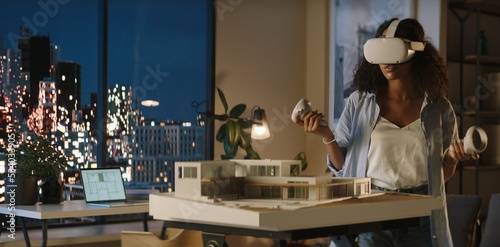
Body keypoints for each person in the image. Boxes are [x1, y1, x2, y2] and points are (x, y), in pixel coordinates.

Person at [293, 18, 479, 247]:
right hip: (372, 209)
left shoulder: (439, 108)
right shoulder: (359, 103)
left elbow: (441, 175)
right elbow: (342, 167)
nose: (387, 60)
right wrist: (326, 135)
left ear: (416, 51)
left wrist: (451, 158)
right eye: (382, 47)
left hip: (421, 214)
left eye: (395, 48)